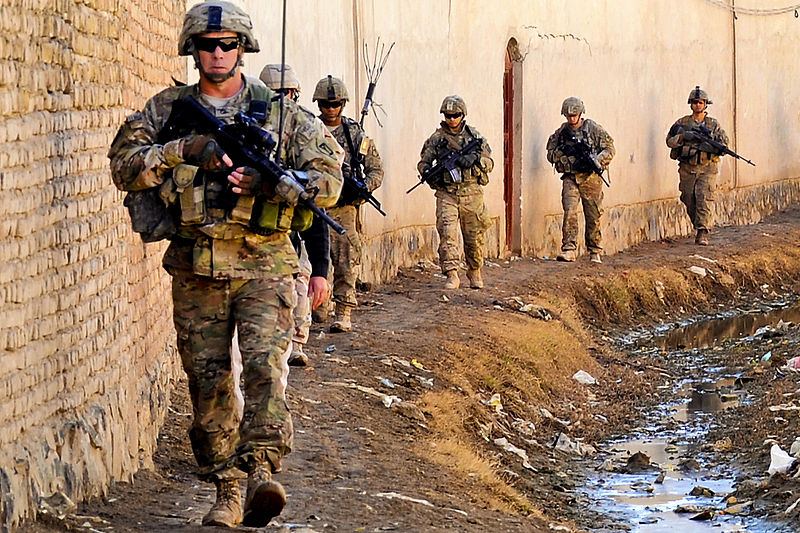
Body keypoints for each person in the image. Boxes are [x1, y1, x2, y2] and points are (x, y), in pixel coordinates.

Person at [107, 2, 342, 528]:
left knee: (263, 369)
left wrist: (279, 184)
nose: (218, 53)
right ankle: (227, 487)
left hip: (265, 267)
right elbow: (124, 165)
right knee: (207, 381)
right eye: (208, 44)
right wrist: (182, 149)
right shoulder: (167, 110)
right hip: (196, 269)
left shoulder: (281, 116)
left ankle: (260, 472)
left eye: (228, 44)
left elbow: (329, 179)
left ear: (243, 48)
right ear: (193, 49)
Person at [259, 64, 344, 365]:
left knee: (300, 284)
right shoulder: (255, 130)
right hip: (253, 243)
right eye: (277, 94)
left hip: (293, 232)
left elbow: (320, 198)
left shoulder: (306, 131)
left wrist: (321, 268)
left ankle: (297, 342)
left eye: (288, 93)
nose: (284, 99)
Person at [312, 75, 384, 332]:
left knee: (346, 259)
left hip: (343, 208)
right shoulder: (308, 129)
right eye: (325, 105)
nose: (330, 109)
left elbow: (376, 169)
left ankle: (343, 311)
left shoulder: (354, 134)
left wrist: (364, 188)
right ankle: (316, 309)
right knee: (311, 260)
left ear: (342, 104)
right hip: (314, 207)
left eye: (335, 104)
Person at [417, 95, 493, 289]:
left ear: (462, 115)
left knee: (473, 238)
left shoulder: (474, 137)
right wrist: (431, 175)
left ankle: (474, 270)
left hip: (471, 194)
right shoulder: (436, 139)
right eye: (448, 115)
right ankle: (451, 274)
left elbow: (489, 162)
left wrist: (473, 161)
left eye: (455, 115)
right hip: (447, 194)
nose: (451, 119)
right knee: (447, 234)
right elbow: (424, 163)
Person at [546, 97, 615, 264]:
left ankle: (594, 250)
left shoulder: (593, 129)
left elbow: (610, 148)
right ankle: (569, 248)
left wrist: (596, 161)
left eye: (574, 115)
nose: (571, 119)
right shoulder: (562, 132)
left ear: (580, 114)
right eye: (568, 116)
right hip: (571, 177)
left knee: (593, 215)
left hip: (590, 178)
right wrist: (566, 159)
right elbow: (551, 152)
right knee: (569, 211)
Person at [666, 86, 729, 246]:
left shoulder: (712, 124)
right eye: (695, 102)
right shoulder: (682, 123)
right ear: (691, 104)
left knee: (703, 197)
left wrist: (708, 146)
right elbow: (669, 141)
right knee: (688, 198)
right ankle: (699, 224)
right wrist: (683, 137)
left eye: (700, 102)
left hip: (707, 168)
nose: (697, 105)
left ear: (705, 104)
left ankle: (703, 231)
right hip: (687, 167)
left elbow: (724, 143)